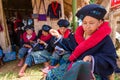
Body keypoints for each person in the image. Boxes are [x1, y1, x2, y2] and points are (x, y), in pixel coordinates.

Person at [46, 4, 119, 80]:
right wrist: (58, 36)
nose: (87, 26)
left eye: (91, 23)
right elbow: (69, 45)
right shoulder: (79, 35)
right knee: (51, 75)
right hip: (74, 66)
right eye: (84, 23)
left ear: (99, 23)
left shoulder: (105, 39)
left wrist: (92, 58)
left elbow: (110, 58)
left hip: (93, 71)